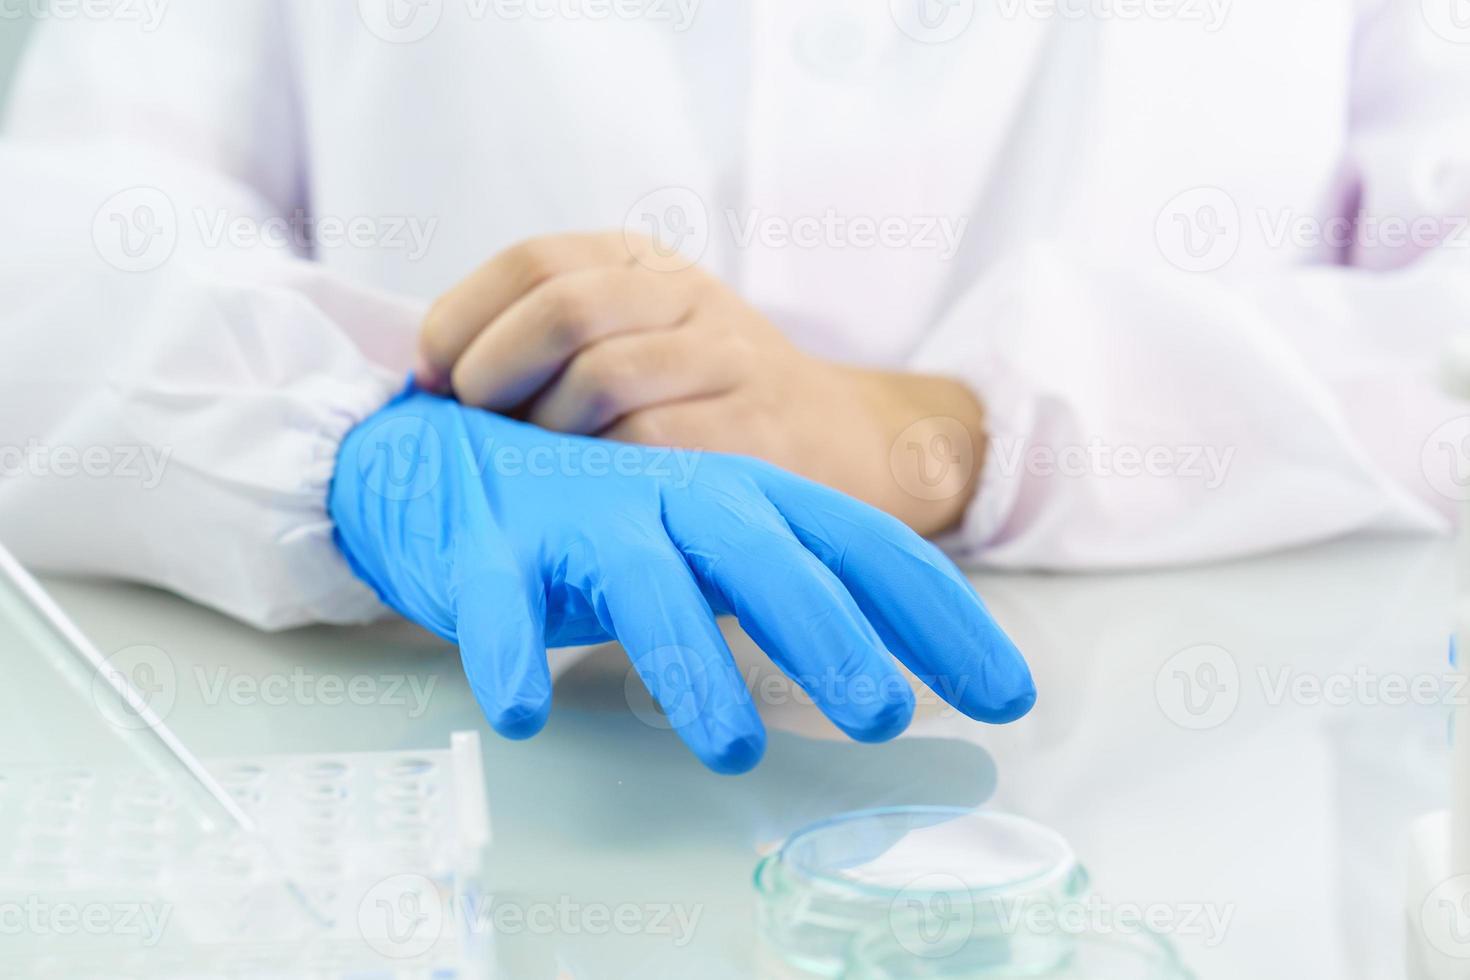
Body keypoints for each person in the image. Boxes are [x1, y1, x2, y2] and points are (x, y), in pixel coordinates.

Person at [0, 2, 1465, 768]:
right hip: (470, 763)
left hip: (1173, 816)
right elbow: (56, 226)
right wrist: (350, 451)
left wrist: (940, 432)